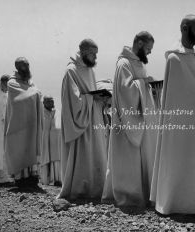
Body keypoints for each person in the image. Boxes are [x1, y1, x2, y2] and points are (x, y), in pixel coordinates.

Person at [150, 15, 195, 215]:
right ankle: (175, 202)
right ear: (184, 28)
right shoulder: (175, 58)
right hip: (181, 122)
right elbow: (181, 92)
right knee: (179, 157)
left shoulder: (192, 56)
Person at [102, 31, 158, 208]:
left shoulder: (137, 63)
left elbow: (139, 86)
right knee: (129, 160)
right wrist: (144, 84)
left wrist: (148, 85)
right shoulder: (124, 63)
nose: (149, 53)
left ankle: (142, 192)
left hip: (141, 119)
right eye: (148, 48)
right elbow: (126, 91)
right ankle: (129, 195)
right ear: (139, 44)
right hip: (127, 122)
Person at [57, 39, 108, 200]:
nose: (95, 58)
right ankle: (80, 191)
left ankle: (95, 189)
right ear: (84, 52)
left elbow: (90, 92)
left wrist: (100, 97)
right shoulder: (71, 70)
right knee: (82, 156)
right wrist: (92, 99)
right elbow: (73, 100)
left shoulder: (90, 70)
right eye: (93, 54)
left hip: (93, 118)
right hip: (81, 122)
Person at [5, 57, 43, 187]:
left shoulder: (30, 82)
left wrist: (35, 93)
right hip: (18, 125)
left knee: (31, 147)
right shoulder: (12, 83)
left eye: (27, 65)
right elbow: (19, 100)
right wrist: (35, 93)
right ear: (17, 67)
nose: (26, 68)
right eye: (23, 66)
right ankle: (21, 179)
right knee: (20, 148)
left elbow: (35, 93)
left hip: (31, 123)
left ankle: (32, 178)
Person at [40, 96, 62, 186]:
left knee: (55, 160)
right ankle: (45, 180)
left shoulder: (56, 112)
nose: (52, 104)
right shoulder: (41, 113)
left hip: (54, 141)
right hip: (44, 140)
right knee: (45, 159)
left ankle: (56, 179)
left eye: (52, 101)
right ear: (44, 103)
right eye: (49, 102)